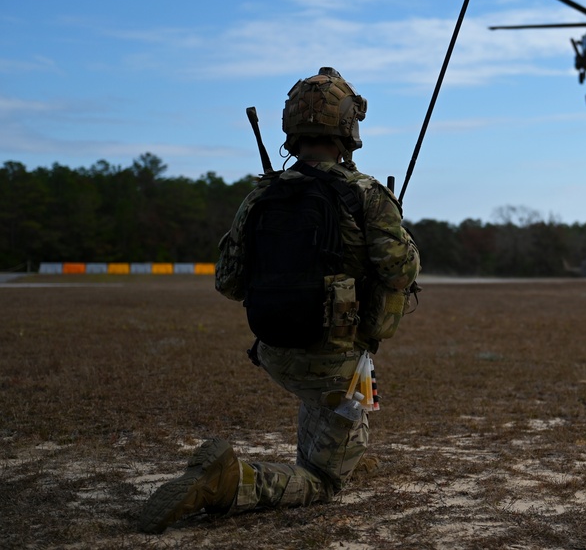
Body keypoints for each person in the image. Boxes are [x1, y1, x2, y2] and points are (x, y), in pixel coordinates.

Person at [138, 66, 420, 534]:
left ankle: (341, 447)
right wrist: (400, 234)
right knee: (325, 479)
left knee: (335, 403)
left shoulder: (261, 196)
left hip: (274, 353)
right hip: (336, 364)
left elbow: (228, 283)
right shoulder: (367, 195)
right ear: (350, 128)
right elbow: (400, 271)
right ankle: (227, 482)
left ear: (291, 127)